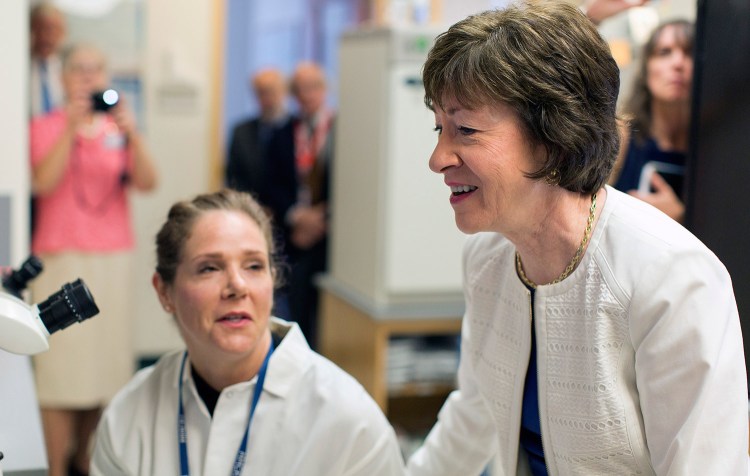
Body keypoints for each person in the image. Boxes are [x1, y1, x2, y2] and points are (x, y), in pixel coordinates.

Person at [406, 2, 748, 475]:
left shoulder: (672, 277)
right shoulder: (487, 259)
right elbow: (474, 413)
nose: (438, 158)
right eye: (440, 129)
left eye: (465, 130)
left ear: (553, 135)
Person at [90, 189, 405, 475]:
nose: (237, 286)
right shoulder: (129, 414)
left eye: (253, 266)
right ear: (164, 292)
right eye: (209, 268)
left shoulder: (348, 420)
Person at [29, 43, 158, 476]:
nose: (88, 77)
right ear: (62, 78)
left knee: (105, 372)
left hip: (113, 261)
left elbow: (148, 182)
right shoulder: (45, 125)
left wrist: (133, 133)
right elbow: (43, 182)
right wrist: (69, 126)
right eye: (79, 69)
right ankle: (54, 466)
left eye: (96, 69)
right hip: (61, 257)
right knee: (60, 372)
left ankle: (90, 461)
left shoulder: (118, 130)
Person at [265, 61, 335, 349]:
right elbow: (269, 184)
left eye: (313, 87)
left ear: (324, 89)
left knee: (328, 315)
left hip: (332, 236)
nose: (307, 95)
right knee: (298, 311)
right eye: (300, 89)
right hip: (294, 236)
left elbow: (354, 182)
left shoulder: (341, 129)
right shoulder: (281, 133)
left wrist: (323, 217)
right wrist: (296, 216)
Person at [610, 20, 693, 223]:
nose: (678, 63)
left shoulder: (717, 151)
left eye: (689, 52)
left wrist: (682, 217)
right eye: (664, 52)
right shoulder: (620, 135)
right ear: (647, 68)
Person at [225, 68, 294, 203]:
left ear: (284, 92)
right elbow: (234, 177)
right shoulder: (241, 132)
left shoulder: (297, 129)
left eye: (272, 91)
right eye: (261, 92)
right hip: (251, 208)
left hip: (290, 216)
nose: (267, 98)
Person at [30, 2, 66, 117]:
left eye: (52, 30)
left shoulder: (68, 68)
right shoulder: (21, 68)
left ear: (62, 33)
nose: (45, 37)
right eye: (40, 29)